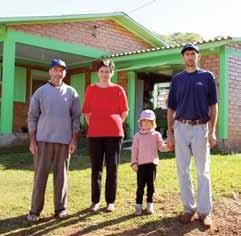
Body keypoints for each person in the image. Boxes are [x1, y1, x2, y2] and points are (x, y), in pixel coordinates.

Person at [167, 43, 218, 228]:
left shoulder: (207, 77)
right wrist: (170, 133)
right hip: (181, 128)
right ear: (183, 57)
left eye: (193, 54)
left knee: (203, 171)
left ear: (198, 56)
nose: (190, 56)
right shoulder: (177, 79)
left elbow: (213, 105)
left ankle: (204, 212)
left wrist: (212, 131)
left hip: (200, 128)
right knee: (183, 170)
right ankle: (189, 209)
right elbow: (171, 107)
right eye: (187, 54)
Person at [27, 59, 81, 221]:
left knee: (61, 177)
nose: (59, 73)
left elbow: (76, 119)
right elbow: (32, 117)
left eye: (62, 70)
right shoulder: (41, 92)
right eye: (56, 70)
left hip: (64, 142)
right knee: (40, 176)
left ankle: (60, 209)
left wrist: (73, 140)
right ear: (50, 71)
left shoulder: (72, 92)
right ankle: (35, 210)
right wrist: (32, 141)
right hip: (43, 141)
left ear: (65, 73)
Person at [82, 59, 128, 212]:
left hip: (114, 134)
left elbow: (124, 112)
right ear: (98, 73)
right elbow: (87, 112)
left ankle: (110, 201)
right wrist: (95, 125)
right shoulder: (90, 89)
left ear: (112, 73)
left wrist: (113, 123)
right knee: (96, 167)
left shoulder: (118, 89)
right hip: (95, 134)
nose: (104, 74)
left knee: (112, 167)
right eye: (102, 71)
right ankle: (95, 201)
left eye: (107, 71)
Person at [131, 109, 170, 216]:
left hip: (152, 165)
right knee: (140, 186)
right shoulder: (137, 136)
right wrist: (134, 163)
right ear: (140, 122)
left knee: (151, 186)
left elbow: (161, 147)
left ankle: (149, 204)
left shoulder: (156, 135)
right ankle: (138, 205)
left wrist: (168, 147)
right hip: (140, 166)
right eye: (144, 121)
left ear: (153, 123)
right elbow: (134, 150)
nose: (146, 123)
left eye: (149, 121)